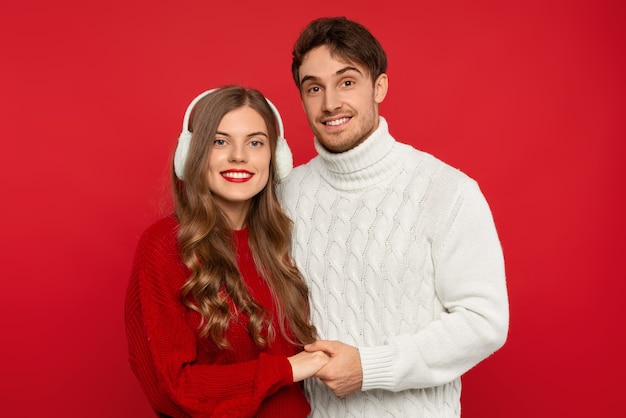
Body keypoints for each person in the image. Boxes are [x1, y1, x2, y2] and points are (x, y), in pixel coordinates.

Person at [277, 16, 510, 417]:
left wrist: (369, 368)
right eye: (314, 87)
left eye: (347, 81)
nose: (330, 102)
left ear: (379, 87)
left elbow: (483, 321)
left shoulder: (447, 191)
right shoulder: (283, 197)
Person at [124, 85, 329, 418]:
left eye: (255, 142)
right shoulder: (164, 247)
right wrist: (287, 369)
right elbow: (172, 388)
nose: (239, 156)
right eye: (220, 141)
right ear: (191, 153)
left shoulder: (285, 244)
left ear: (276, 158)